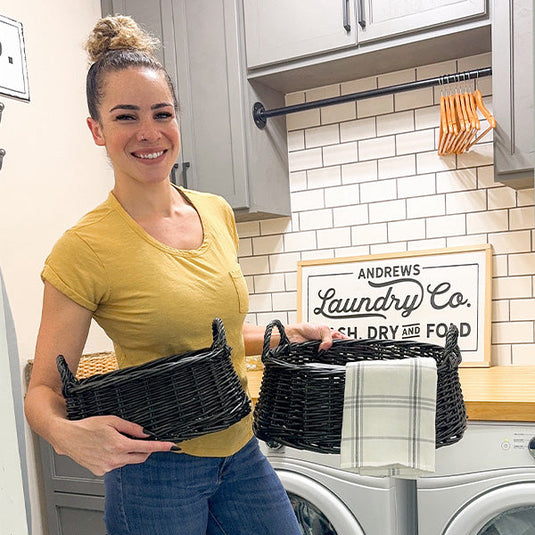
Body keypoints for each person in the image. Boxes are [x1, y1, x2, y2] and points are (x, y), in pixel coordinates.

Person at [24, 15, 346, 535]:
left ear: (178, 119)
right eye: (126, 117)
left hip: (241, 450)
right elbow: (41, 392)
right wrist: (68, 436)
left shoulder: (216, 212)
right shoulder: (83, 249)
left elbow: (203, 340)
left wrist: (282, 333)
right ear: (96, 130)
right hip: (155, 471)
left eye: (162, 113)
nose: (148, 133)